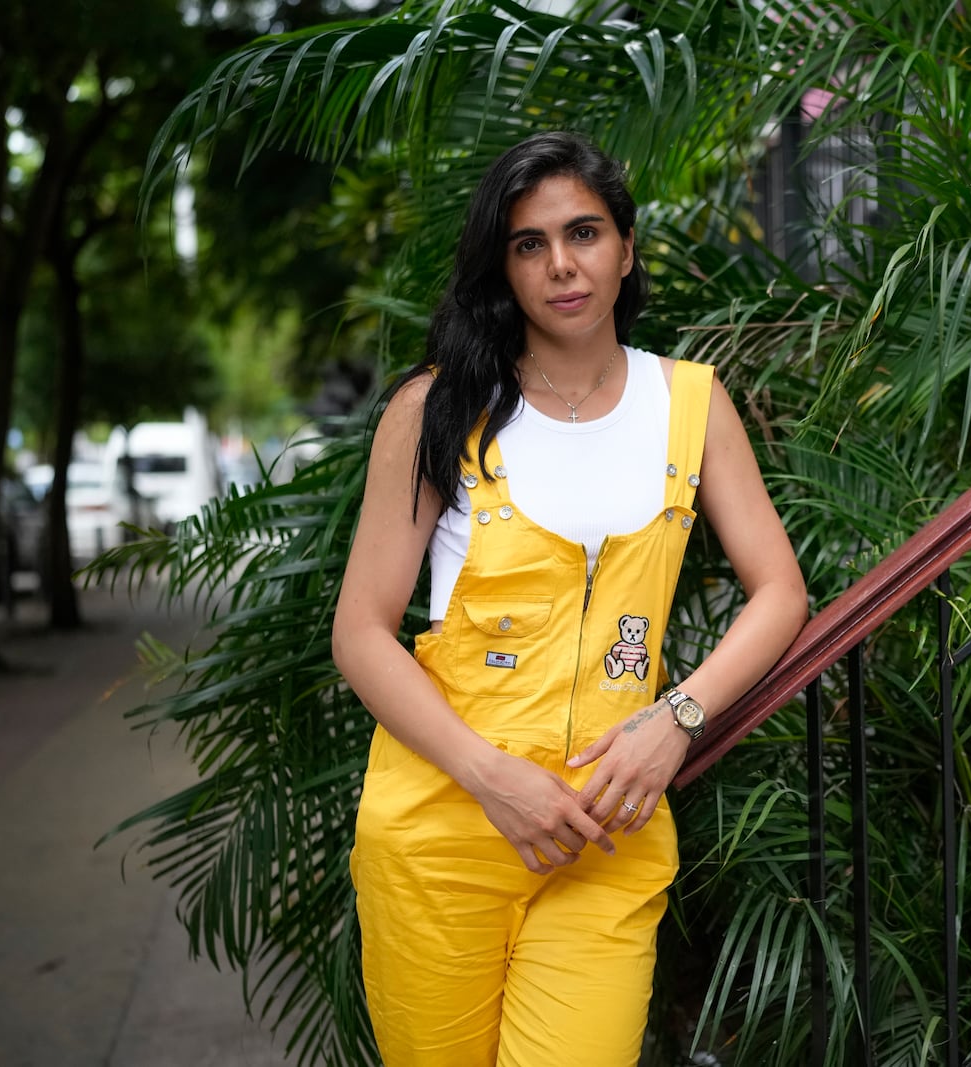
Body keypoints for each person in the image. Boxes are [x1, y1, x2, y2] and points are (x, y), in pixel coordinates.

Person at [331, 131, 808, 1066]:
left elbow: (781, 591)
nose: (561, 264)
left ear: (625, 249)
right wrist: (489, 774)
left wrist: (678, 717)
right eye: (529, 243)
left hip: (605, 837)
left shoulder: (691, 404)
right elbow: (360, 632)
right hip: (441, 833)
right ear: (502, 267)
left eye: (584, 232)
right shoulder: (440, 409)